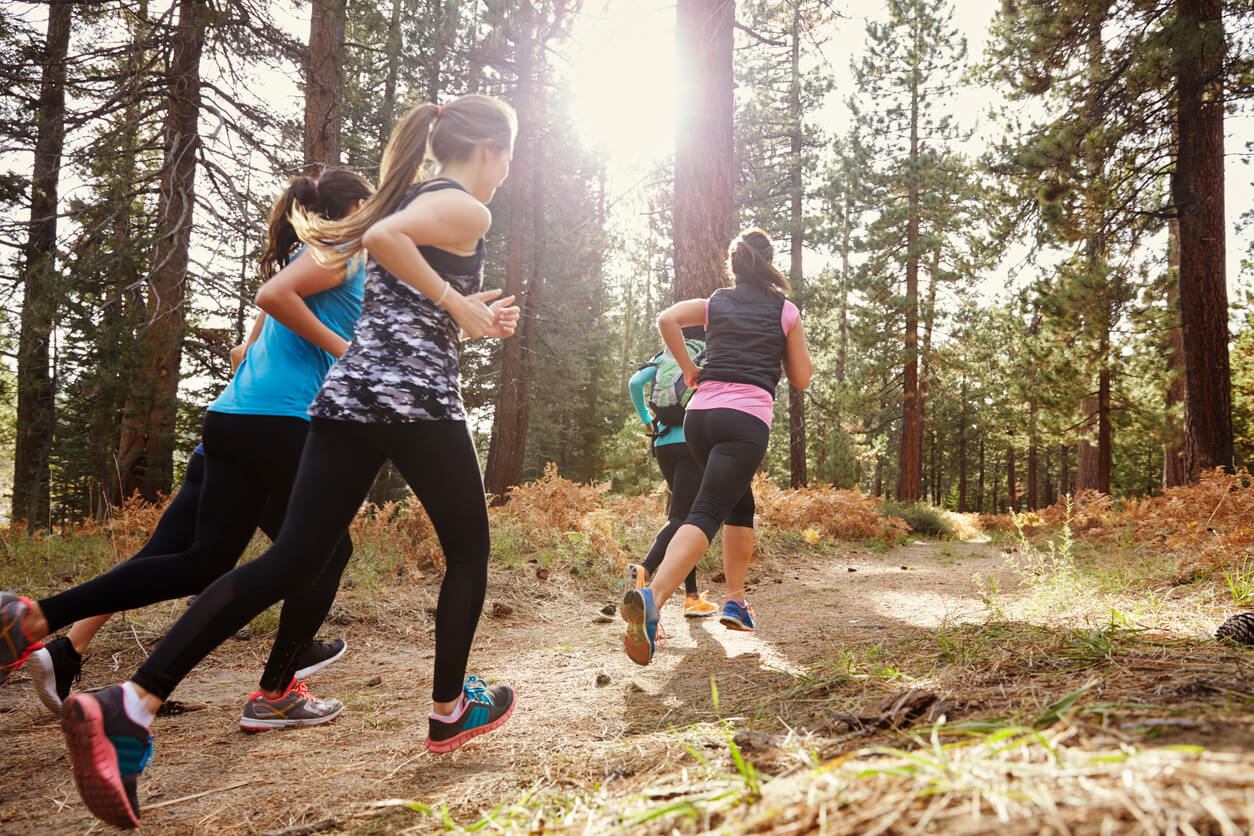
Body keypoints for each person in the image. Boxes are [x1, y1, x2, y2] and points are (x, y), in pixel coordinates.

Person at [33, 94, 521, 830]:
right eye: (508, 156)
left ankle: (133, 701)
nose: (506, 173)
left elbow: (392, 278)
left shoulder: (419, 197)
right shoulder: (462, 207)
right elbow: (386, 239)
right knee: (470, 553)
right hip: (415, 403)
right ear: (489, 150)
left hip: (348, 398)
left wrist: (461, 311)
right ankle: (450, 710)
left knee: (292, 557)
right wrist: (456, 303)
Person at [2, 169, 377, 733]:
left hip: (233, 418)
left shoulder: (308, 258)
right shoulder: (341, 253)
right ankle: (277, 690)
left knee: (203, 558)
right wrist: (344, 353)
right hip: (280, 423)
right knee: (325, 552)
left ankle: (36, 620)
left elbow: (242, 349)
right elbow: (272, 300)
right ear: (356, 207)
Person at [621, 228, 812, 666]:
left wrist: (690, 368)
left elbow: (667, 318)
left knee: (737, 505)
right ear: (769, 262)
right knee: (705, 512)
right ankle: (653, 598)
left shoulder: (715, 303)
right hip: (743, 421)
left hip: (699, 419)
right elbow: (801, 378)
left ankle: (735, 601)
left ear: (734, 265)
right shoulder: (784, 311)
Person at [623, 329, 718, 618]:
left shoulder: (664, 355)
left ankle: (691, 597)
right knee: (686, 520)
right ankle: (645, 569)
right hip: (692, 444)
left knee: (683, 519)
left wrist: (646, 419)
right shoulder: (710, 353)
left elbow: (635, 382)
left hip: (663, 442)